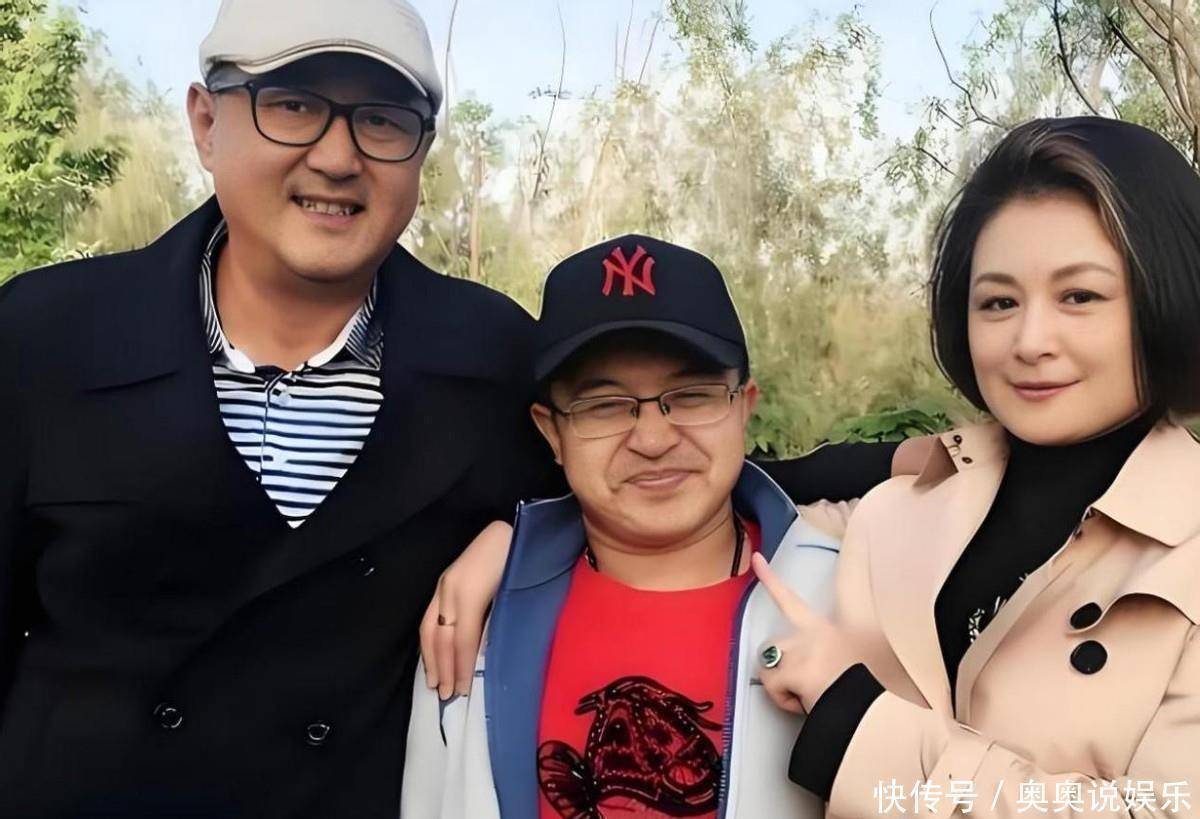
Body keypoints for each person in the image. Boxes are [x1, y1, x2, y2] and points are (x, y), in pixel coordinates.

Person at [0, 2, 908, 815]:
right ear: (206, 121)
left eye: (382, 120)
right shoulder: (46, 338)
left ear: (422, 150)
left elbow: (654, 465)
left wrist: (912, 458)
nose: (337, 155)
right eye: (293, 104)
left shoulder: (485, 355)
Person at [753, 117, 1200, 817]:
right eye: (999, 302)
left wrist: (857, 728)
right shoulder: (898, 513)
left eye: (1079, 296)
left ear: (1165, 298)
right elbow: (726, 491)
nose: (1029, 340)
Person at [403, 235, 858, 818]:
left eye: (690, 396)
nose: (652, 439)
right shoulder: (475, 621)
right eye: (604, 405)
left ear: (743, 407)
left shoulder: (848, 602)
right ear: (551, 432)